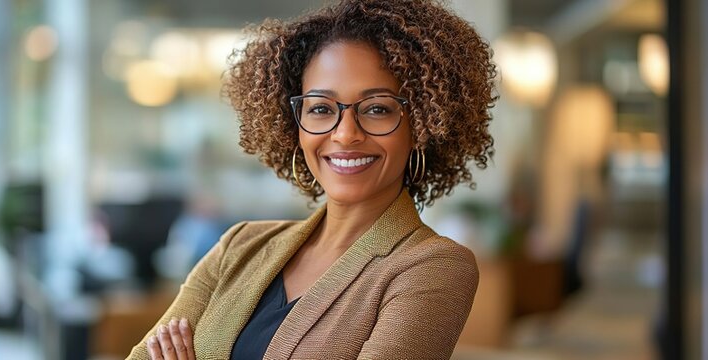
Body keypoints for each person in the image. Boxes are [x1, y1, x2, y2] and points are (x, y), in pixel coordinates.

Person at [127, 0, 496, 358]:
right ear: (295, 126)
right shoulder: (238, 247)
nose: (345, 134)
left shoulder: (432, 266)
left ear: (422, 126)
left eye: (378, 109)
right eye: (321, 108)